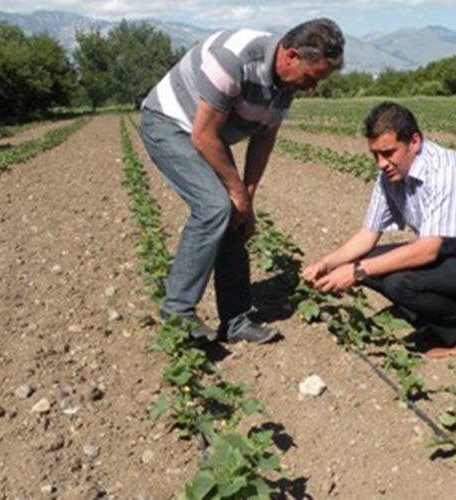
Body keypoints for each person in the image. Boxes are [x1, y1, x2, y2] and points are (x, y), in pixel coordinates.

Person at [139, 19, 345, 343]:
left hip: (210, 136)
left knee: (235, 216)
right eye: (310, 78)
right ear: (290, 56)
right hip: (170, 123)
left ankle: (235, 322)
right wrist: (235, 192)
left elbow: (264, 137)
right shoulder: (232, 59)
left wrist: (246, 200)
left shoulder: (286, 84)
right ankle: (177, 314)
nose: (311, 88)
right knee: (214, 207)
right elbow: (203, 135)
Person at [302, 101, 456, 359]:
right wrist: (327, 263)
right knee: (366, 260)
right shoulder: (390, 175)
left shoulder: (446, 171)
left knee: (397, 282)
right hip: (452, 260)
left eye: (388, 152)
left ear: (414, 141)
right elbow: (368, 234)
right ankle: (432, 316)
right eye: (375, 154)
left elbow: (427, 251)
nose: (381, 163)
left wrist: (357, 271)